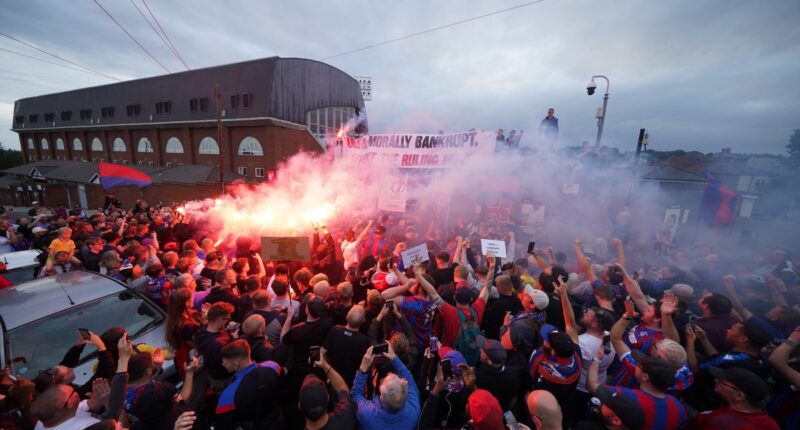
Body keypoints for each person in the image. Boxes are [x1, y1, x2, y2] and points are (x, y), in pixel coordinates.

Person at [215, 340, 285, 430]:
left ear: (236, 365)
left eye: (224, 362)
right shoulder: (273, 366)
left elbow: (223, 426)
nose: (222, 364)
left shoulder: (227, 396)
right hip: (277, 422)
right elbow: (283, 393)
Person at [686, 366, 779, 430]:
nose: (716, 380)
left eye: (722, 381)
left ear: (739, 395)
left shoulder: (717, 421)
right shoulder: (772, 425)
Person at [351, 344, 419, 429]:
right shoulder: (413, 411)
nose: (381, 380)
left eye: (382, 382)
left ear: (381, 398)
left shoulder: (367, 414)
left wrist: (363, 368)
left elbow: (356, 395)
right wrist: (394, 358)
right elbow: (411, 382)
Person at [299, 354, 357, 429]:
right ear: (328, 398)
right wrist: (325, 365)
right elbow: (343, 389)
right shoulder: (344, 419)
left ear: (300, 406)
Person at [321, 305, 371, 388]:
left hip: (332, 380)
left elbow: (322, 353)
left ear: (347, 316)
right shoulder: (364, 341)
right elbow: (366, 366)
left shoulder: (335, 330)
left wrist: (327, 370)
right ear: (363, 321)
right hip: (351, 383)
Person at [194, 302, 235, 391]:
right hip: (223, 378)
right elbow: (227, 363)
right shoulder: (218, 344)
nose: (228, 320)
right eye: (227, 318)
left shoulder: (203, 330)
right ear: (218, 319)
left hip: (212, 374)